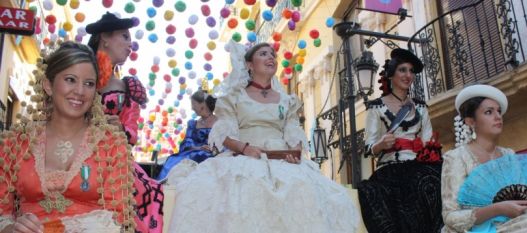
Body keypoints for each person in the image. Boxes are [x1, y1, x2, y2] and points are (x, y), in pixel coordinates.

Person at [165, 41, 358, 233]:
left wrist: (296, 151)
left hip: (282, 158)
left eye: (272, 54)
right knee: (245, 193)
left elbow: (292, 130)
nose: (270, 57)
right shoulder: (234, 97)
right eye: (263, 54)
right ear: (249, 65)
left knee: (304, 190)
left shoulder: (287, 99)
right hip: (245, 156)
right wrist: (245, 148)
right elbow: (223, 134)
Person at [0, 42, 135, 232]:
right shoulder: (15, 143)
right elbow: (1, 213)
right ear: (48, 85)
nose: (80, 91)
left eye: (89, 84)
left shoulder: (111, 144)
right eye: (70, 80)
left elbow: (119, 220)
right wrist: (11, 229)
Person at [441, 84, 527, 232]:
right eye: (489, 112)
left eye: (499, 111)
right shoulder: (457, 158)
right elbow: (451, 216)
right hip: (476, 229)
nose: (498, 117)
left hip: (514, 224)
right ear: (471, 121)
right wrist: (497, 209)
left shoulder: (508, 155)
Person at [86, 12, 163, 233]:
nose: (131, 44)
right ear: (105, 38)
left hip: (114, 163)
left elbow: (132, 134)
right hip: (72, 155)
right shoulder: (76, 72)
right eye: (125, 36)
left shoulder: (129, 87)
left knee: (151, 195)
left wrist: (119, 128)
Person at [358, 48, 443, 232]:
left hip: (418, 167)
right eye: (402, 70)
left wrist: (429, 152)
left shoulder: (420, 107)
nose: (408, 75)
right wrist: (380, 144)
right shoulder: (376, 107)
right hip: (389, 168)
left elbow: (429, 142)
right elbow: (368, 147)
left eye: (411, 71)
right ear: (391, 74)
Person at [156, 90, 217, 181]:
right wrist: (199, 148)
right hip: (194, 152)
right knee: (173, 160)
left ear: (202, 105)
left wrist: (214, 149)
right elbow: (186, 143)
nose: (192, 108)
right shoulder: (193, 124)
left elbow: (226, 142)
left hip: (213, 155)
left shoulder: (220, 122)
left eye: (193, 104)